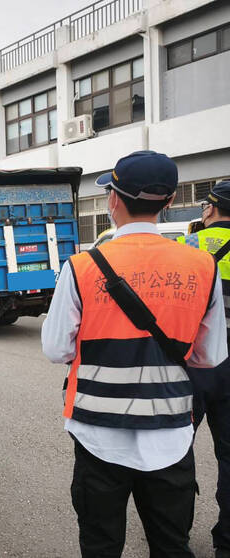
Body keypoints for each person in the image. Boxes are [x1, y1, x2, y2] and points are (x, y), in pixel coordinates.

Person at [41, 151, 228, 557]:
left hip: (97, 435)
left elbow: (56, 349)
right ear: (169, 200)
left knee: (101, 544)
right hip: (170, 436)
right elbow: (209, 356)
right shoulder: (201, 267)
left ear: (113, 199)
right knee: (170, 544)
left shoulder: (81, 266)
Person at [178, 180, 230, 557]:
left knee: (177, 450)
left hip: (195, 365)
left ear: (210, 209)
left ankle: (173, 535)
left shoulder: (189, 247)